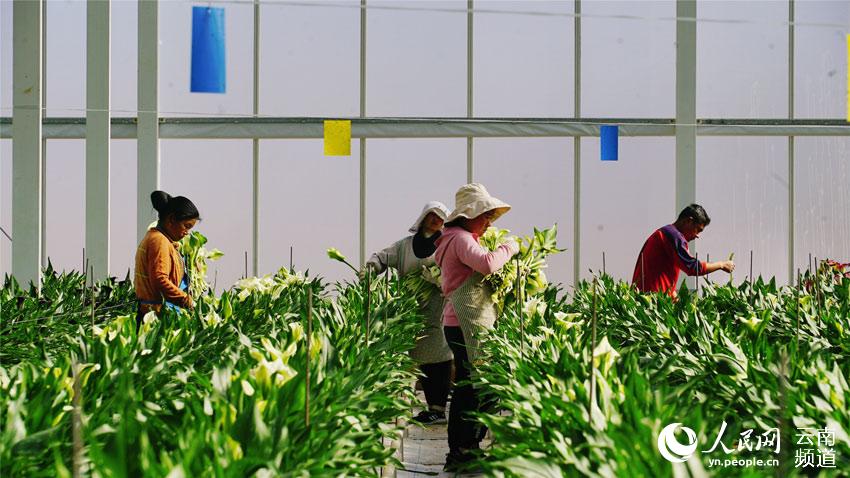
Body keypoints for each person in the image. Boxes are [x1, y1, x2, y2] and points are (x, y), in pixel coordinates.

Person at [434, 183, 519, 471]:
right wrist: (510, 248)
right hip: (464, 323)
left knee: (472, 385)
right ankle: (462, 450)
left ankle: (466, 447)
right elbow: (487, 264)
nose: (487, 222)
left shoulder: (452, 238)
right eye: (484, 215)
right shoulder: (460, 239)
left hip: (457, 322)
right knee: (472, 386)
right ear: (468, 214)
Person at [362, 201, 454, 425]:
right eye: (432, 215)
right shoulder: (405, 246)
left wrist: (438, 279)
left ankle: (437, 408)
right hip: (411, 312)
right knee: (415, 358)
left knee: (439, 360)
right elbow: (383, 256)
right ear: (423, 217)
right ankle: (402, 405)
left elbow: (454, 273)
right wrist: (372, 267)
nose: (435, 220)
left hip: (438, 310)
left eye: (440, 217)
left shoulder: (445, 245)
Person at [632, 203, 735, 297]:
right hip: (651, 301)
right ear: (688, 221)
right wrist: (722, 265)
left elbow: (660, 274)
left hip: (646, 296)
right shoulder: (674, 237)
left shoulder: (665, 234)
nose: (697, 236)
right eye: (698, 230)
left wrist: (674, 296)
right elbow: (693, 267)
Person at [134, 191, 200, 330]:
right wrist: (187, 301)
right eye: (186, 226)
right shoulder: (159, 241)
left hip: (152, 312)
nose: (187, 232)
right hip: (155, 316)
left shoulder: (159, 239)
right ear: (171, 220)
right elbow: (159, 279)